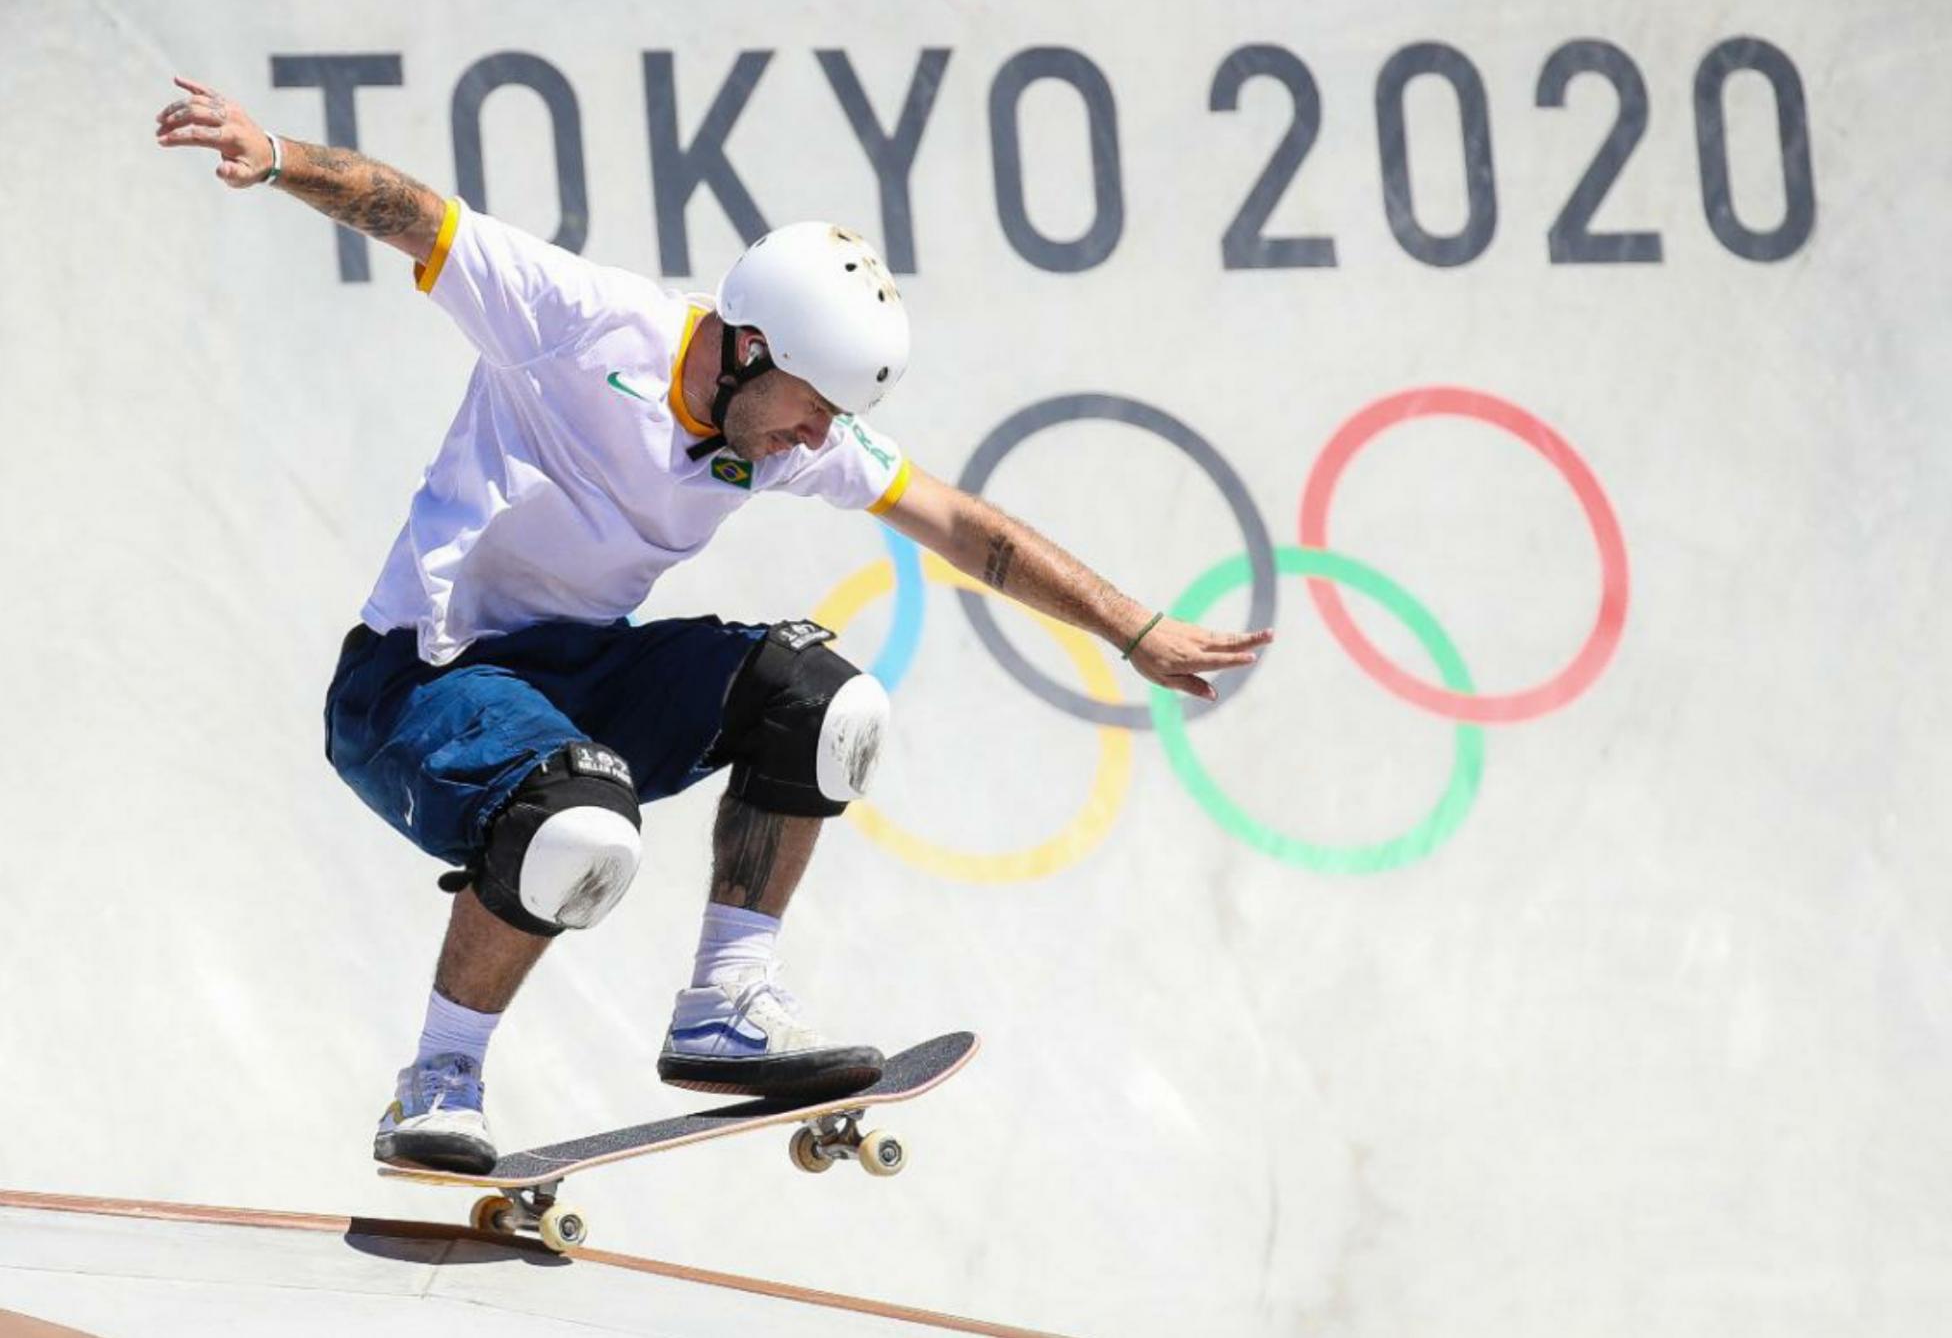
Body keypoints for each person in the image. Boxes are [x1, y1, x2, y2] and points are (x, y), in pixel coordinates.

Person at [156, 74, 1275, 1174]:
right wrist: (279, 159)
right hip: (415, 682)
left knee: (820, 697)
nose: (812, 437)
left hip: (573, 674)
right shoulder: (584, 321)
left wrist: (1133, 628)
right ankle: (441, 1076)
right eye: (808, 407)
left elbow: (962, 525)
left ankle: (723, 1003)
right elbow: (413, 214)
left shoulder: (793, 425)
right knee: (580, 819)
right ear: (746, 344)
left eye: (833, 421)